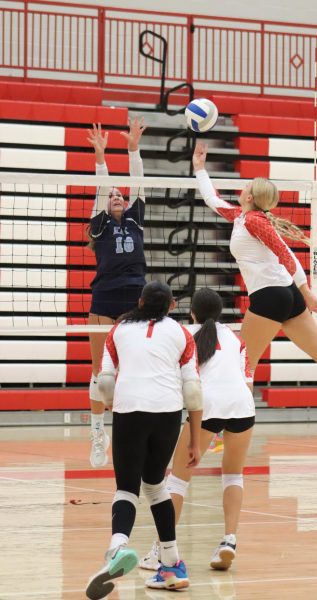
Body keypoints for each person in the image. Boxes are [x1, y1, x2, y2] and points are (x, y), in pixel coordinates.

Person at [192, 141, 317, 442]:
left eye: (246, 185)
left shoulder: (253, 221)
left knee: (243, 362)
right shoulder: (241, 217)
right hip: (285, 295)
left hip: (271, 295)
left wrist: (307, 292)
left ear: (250, 195)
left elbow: (286, 255)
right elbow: (212, 199)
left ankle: (226, 435)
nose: (242, 187)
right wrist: (200, 168)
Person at [85, 281, 203, 599]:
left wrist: (112, 404)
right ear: (170, 307)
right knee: (154, 484)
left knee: (127, 488)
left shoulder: (120, 329)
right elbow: (192, 391)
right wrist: (194, 438)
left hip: (130, 410)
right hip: (167, 413)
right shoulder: (182, 334)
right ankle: (172, 562)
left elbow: (105, 381)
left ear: (139, 301)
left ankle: (117, 547)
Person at [139, 288, 255, 573]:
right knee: (233, 474)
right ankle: (229, 541)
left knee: (177, 481)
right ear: (220, 313)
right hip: (243, 405)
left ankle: (161, 551)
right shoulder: (235, 337)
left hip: (206, 406)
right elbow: (247, 379)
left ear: (192, 312)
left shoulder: (181, 333)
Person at [86, 118, 147, 468]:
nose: (116, 195)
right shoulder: (101, 223)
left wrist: (132, 148)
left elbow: (137, 182)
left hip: (136, 298)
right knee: (99, 373)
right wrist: (100, 155)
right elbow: (99, 187)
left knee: (132, 369)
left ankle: (133, 433)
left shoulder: (136, 218)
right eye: (112, 196)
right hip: (104, 298)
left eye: (119, 194)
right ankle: (97, 433)